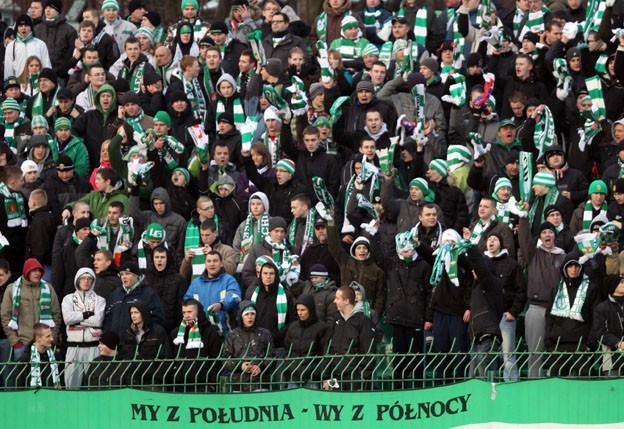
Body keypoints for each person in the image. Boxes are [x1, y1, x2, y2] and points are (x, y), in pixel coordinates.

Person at [484, 234, 526, 382]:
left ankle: (511, 383)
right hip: (486, 316)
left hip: (505, 315)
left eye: (495, 239)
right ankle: (486, 384)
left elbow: (521, 290)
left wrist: (513, 312)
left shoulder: (512, 264)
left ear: (501, 244)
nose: (491, 242)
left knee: (508, 353)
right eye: (489, 239)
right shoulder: (481, 263)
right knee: (485, 353)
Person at [0, 258, 61, 361]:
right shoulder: (12, 289)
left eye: (39, 271)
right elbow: (5, 316)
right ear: (26, 272)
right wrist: (15, 341)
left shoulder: (48, 288)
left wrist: (52, 338)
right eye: (34, 271)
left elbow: (56, 315)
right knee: (22, 376)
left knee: (45, 375)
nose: (37, 273)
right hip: (22, 344)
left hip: (44, 342)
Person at [325, 286, 376, 391]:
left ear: (347, 301)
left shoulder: (363, 321)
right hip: (335, 377)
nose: (334, 301)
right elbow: (329, 348)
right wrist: (327, 376)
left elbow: (369, 350)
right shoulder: (336, 320)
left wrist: (363, 376)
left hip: (355, 378)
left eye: (337, 298)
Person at [61, 268, 106, 388]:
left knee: (93, 384)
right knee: (71, 384)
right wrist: (86, 315)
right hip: (73, 347)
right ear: (77, 280)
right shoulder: (68, 299)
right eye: (83, 278)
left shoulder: (100, 300)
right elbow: (67, 319)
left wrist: (77, 320)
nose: (86, 281)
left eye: (89, 279)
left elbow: (98, 320)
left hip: (93, 346)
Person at [183, 250, 242, 337]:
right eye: (209, 261)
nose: (212, 264)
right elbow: (186, 301)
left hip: (224, 332)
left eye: (215, 261)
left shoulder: (229, 280)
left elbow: (235, 296)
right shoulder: (196, 283)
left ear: (221, 263)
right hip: (200, 332)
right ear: (205, 264)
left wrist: (221, 305)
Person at [170, 298, 222, 392]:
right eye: (184, 312)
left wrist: (212, 384)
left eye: (189, 312)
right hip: (179, 385)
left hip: (203, 385)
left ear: (198, 312)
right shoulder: (176, 334)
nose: (186, 316)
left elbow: (216, 361)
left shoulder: (210, 333)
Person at [103, 261, 165, 339]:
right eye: (122, 274)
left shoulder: (148, 294)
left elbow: (157, 318)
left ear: (136, 276)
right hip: (115, 343)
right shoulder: (115, 293)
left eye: (127, 274)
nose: (124, 277)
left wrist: (145, 336)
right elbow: (108, 317)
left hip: (136, 343)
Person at [222, 300, 274, 392]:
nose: (250, 317)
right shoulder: (232, 335)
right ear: (241, 316)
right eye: (246, 314)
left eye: (252, 314)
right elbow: (225, 358)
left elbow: (272, 356)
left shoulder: (265, 334)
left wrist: (260, 366)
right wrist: (240, 366)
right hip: (238, 383)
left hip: (260, 382)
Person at [117, 301, 172, 387]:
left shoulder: (158, 331)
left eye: (136, 312)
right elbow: (123, 356)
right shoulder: (128, 333)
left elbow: (166, 357)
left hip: (152, 382)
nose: (133, 316)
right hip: (132, 381)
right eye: (131, 313)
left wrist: (158, 378)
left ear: (143, 313)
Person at [283, 294, 329, 388]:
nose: (300, 313)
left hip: (312, 377)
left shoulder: (322, 328)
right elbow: (287, 348)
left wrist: (317, 372)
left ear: (310, 310)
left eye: (303, 310)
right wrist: (290, 367)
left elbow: (326, 353)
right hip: (294, 376)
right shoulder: (293, 327)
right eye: (298, 310)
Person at [146, 246, 189, 333]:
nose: (159, 260)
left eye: (162, 257)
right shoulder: (146, 279)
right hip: (150, 329)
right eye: (156, 257)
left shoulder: (178, 280)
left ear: (168, 259)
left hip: (172, 329)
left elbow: (182, 307)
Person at [590, 275, 624, 376]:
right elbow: (600, 333)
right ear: (613, 286)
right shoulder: (602, 308)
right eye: (621, 282)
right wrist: (619, 343)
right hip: (612, 360)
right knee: (613, 389)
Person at [12, 323, 61, 388]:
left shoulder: (56, 356)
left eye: (51, 335)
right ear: (38, 338)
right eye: (48, 336)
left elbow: (62, 381)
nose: (52, 339)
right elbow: (18, 384)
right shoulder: (25, 359)